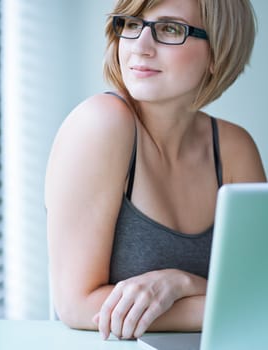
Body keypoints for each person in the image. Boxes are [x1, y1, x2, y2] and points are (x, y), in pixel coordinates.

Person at [45, 0, 267, 341]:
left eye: (170, 29)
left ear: (217, 52)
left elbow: (258, 293)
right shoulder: (100, 123)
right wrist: (217, 305)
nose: (140, 46)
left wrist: (181, 282)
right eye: (132, 25)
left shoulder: (235, 148)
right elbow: (76, 305)